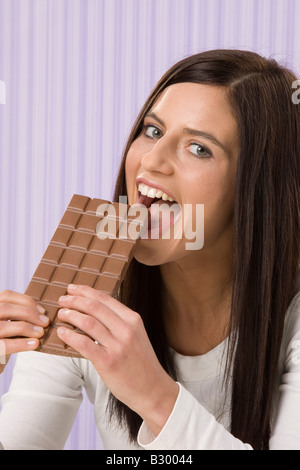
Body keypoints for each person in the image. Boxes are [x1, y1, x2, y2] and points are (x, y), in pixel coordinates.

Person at [0, 49, 300, 450]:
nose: (151, 161)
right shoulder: (81, 289)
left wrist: (155, 396)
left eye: (199, 148)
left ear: (255, 191)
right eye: (153, 131)